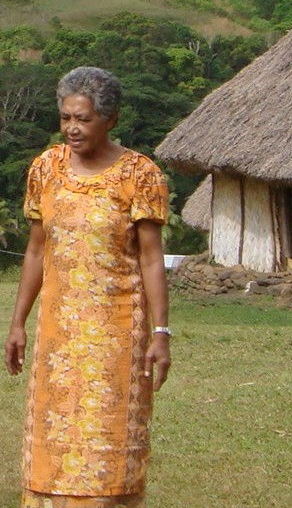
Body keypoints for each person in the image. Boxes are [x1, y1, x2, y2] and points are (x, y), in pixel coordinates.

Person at [4, 67, 171, 508]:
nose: (72, 129)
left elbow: (152, 259)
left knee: (108, 440)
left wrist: (161, 333)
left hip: (117, 336)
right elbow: (37, 252)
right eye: (65, 118)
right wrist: (18, 322)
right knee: (53, 440)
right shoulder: (46, 169)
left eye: (83, 119)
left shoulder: (140, 174)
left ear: (110, 118)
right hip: (58, 336)